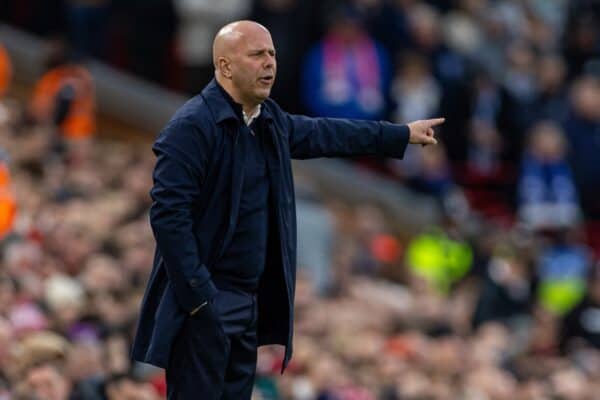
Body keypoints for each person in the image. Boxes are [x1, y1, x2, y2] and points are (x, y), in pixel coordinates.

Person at [131, 20, 443, 399]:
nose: (270, 63)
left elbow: (327, 133)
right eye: (257, 54)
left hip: (247, 304)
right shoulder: (191, 127)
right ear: (226, 66)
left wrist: (400, 134)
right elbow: (167, 215)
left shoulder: (269, 122)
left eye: (273, 54)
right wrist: (200, 297)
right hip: (207, 302)